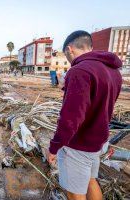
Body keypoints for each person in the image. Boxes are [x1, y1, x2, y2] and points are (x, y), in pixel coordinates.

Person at [47, 30, 122, 200]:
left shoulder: (79, 71)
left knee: (75, 193)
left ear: (70, 49)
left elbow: (71, 119)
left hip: (79, 144)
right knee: (90, 180)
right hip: (98, 141)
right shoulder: (113, 72)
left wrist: (54, 147)